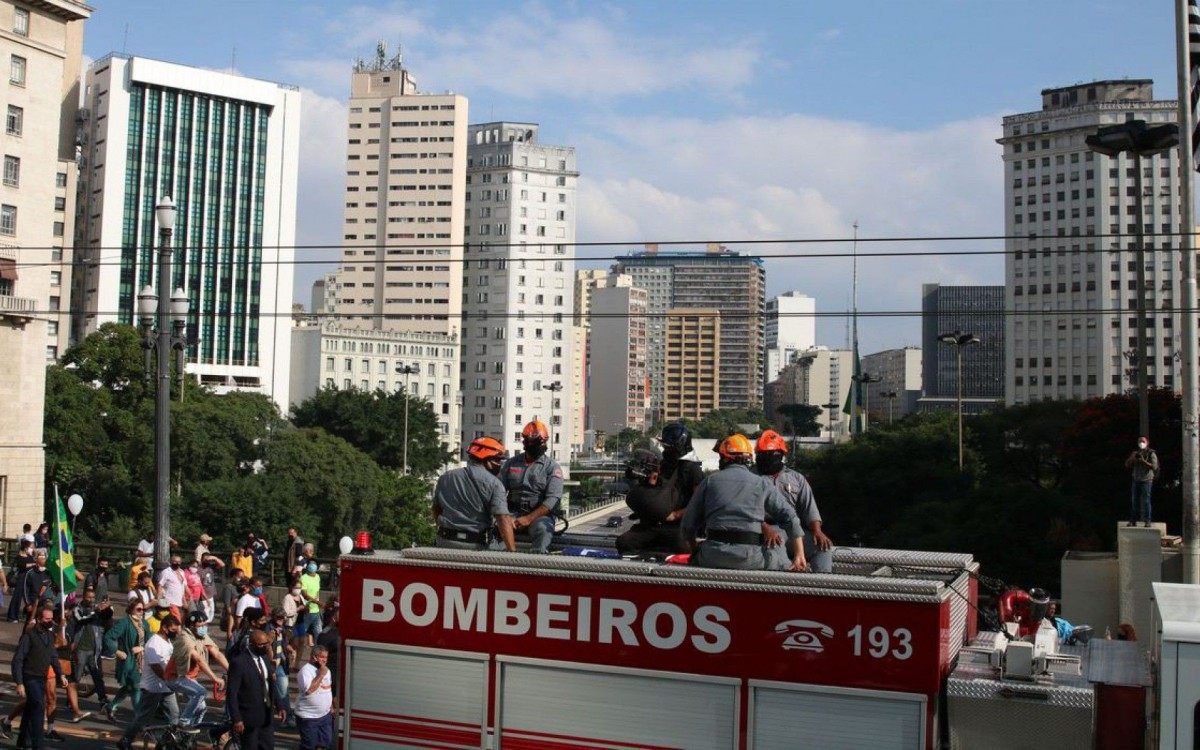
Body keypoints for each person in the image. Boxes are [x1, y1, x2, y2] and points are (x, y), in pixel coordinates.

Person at [681, 434, 807, 572]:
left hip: (713, 556)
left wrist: (695, 552)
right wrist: (799, 554)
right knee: (782, 559)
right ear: (748, 459)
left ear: (724, 458)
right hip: (751, 559)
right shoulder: (762, 483)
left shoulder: (709, 482)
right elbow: (790, 517)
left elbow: (688, 525)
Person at [754, 430, 835, 573]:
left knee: (823, 548)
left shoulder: (796, 478)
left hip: (795, 531)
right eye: (760, 455)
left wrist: (817, 531)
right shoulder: (751, 478)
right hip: (765, 531)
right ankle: (786, 586)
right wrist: (765, 528)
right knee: (775, 548)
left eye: (768, 455)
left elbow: (810, 509)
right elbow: (746, 511)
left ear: (780, 455)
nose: (763, 458)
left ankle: (821, 585)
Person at [433, 436, 517, 551]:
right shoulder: (495, 484)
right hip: (475, 545)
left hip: (444, 541)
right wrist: (512, 552)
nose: (500, 464)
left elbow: (436, 509)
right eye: (498, 460)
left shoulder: (446, 477)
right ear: (487, 460)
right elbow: (502, 519)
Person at [117, 614, 181, 750]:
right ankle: (125, 740)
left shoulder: (168, 642)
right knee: (143, 719)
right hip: (152, 689)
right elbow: (156, 667)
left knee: (174, 715)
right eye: (174, 630)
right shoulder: (154, 643)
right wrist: (168, 679)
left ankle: (165, 743)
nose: (176, 633)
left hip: (166, 688)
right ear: (164, 628)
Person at [499, 420, 563, 553]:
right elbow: (498, 492)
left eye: (543, 442)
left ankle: (536, 563)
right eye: (537, 443)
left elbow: (552, 499)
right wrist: (505, 516)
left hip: (539, 517)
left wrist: (528, 519)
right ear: (525, 443)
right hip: (512, 514)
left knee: (543, 531)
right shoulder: (511, 464)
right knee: (493, 528)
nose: (541, 446)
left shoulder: (552, 467)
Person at [616, 447, 690, 557]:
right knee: (623, 542)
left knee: (684, 546)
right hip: (647, 528)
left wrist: (676, 515)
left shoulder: (672, 486)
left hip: (671, 528)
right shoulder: (641, 489)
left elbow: (696, 505)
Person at [10, 606, 65, 749]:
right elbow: (18, 660)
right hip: (30, 678)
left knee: (30, 708)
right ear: (39, 619)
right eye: (47, 619)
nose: (50, 622)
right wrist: (19, 682)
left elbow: (53, 656)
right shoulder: (29, 636)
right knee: (39, 709)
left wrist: (61, 674)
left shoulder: (49, 636)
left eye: (52, 619)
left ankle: (22, 741)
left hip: (41, 678)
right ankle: (37, 745)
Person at [227, 629, 282, 750]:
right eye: (261, 644)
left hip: (266, 716)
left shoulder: (265, 659)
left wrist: (280, 705)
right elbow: (232, 693)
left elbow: (271, 684)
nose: (264, 647)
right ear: (251, 644)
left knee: (268, 746)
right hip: (248, 718)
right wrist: (237, 718)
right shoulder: (239, 662)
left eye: (266, 644)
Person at [172, 610, 226, 726]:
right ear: (191, 626)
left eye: (205, 625)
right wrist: (214, 678)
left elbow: (217, 654)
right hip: (176, 677)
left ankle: (190, 735)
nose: (204, 628)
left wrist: (232, 671)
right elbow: (199, 660)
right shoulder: (185, 638)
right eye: (200, 625)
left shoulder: (202, 636)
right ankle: (184, 721)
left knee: (201, 709)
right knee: (201, 692)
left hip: (190, 679)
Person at [102, 598, 147, 722]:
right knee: (136, 686)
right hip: (129, 661)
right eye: (139, 609)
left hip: (141, 661)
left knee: (128, 687)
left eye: (143, 609)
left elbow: (149, 639)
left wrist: (142, 648)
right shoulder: (124, 623)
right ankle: (139, 719)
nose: (141, 612)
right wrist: (117, 651)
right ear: (131, 609)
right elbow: (108, 637)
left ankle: (110, 707)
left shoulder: (144, 623)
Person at [71, 587, 111, 706]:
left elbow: (107, 616)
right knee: (77, 676)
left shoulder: (96, 608)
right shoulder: (77, 609)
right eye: (88, 597)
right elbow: (81, 620)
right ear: (83, 597)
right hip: (81, 648)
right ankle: (71, 699)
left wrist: (107, 607)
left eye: (93, 597)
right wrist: (96, 612)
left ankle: (102, 698)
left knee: (97, 676)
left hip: (95, 649)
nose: (91, 600)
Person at [295, 645, 334, 750]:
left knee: (325, 742)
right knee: (309, 746)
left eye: (326, 657)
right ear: (314, 657)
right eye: (322, 657)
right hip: (308, 717)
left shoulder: (326, 670)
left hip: (325, 716)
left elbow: (327, 689)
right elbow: (309, 690)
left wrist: (331, 706)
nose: (325, 660)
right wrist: (320, 675)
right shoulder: (305, 671)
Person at [264, 608, 295, 726]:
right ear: (273, 617)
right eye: (279, 617)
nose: (281, 619)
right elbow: (267, 645)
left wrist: (291, 650)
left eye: (283, 617)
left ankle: (287, 716)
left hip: (280, 664)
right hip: (271, 664)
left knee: (283, 691)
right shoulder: (268, 628)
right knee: (277, 691)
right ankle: (286, 717)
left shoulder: (283, 629)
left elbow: (283, 644)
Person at [1125, 436, 1159, 527]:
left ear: (1147, 442)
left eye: (1143, 441)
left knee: (1146, 501)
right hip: (1136, 479)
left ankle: (1147, 520)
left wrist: (1143, 461)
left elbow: (1155, 467)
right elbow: (1127, 465)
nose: (1141, 443)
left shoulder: (1151, 453)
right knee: (1134, 501)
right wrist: (1132, 458)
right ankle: (1133, 520)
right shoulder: (1135, 453)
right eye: (1139, 441)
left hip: (1147, 480)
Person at [296, 563, 324, 649]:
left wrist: (318, 603)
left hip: (316, 609)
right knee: (303, 629)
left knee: (318, 631)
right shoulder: (303, 578)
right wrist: (317, 602)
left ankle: (318, 648)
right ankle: (298, 644)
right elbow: (304, 594)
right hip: (307, 608)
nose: (313, 574)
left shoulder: (317, 576)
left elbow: (317, 591)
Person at [314, 610, 340, 698]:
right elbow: (319, 656)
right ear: (333, 619)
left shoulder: (342, 632)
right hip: (331, 675)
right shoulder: (326, 635)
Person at [220, 568, 247, 641]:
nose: (241, 579)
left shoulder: (241, 587)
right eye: (239, 577)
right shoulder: (229, 587)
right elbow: (227, 606)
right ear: (233, 576)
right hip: (232, 617)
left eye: (242, 577)